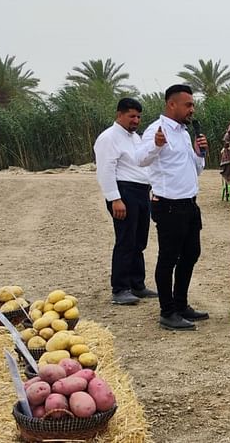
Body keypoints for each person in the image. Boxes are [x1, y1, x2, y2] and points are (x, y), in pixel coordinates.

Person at [136, 84, 208, 331]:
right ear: (172, 105)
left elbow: (195, 169)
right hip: (168, 205)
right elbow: (141, 159)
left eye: (192, 105)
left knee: (191, 254)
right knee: (168, 258)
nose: (192, 109)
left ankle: (181, 304)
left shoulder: (184, 133)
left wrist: (200, 154)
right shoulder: (156, 130)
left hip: (189, 203)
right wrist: (156, 145)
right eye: (188, 104)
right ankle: (167, 312)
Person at [94, 98, 159, 305]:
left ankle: (137, 284)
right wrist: (115, 198)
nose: (136, 120)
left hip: (141, 191)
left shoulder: (135, 138)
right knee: (125, 240)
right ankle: (120, 288)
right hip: (124, 191)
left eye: (139, 116)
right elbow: (105, 169)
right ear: (119, 114)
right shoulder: (109, 138)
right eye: (132, 116)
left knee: (139, 240)